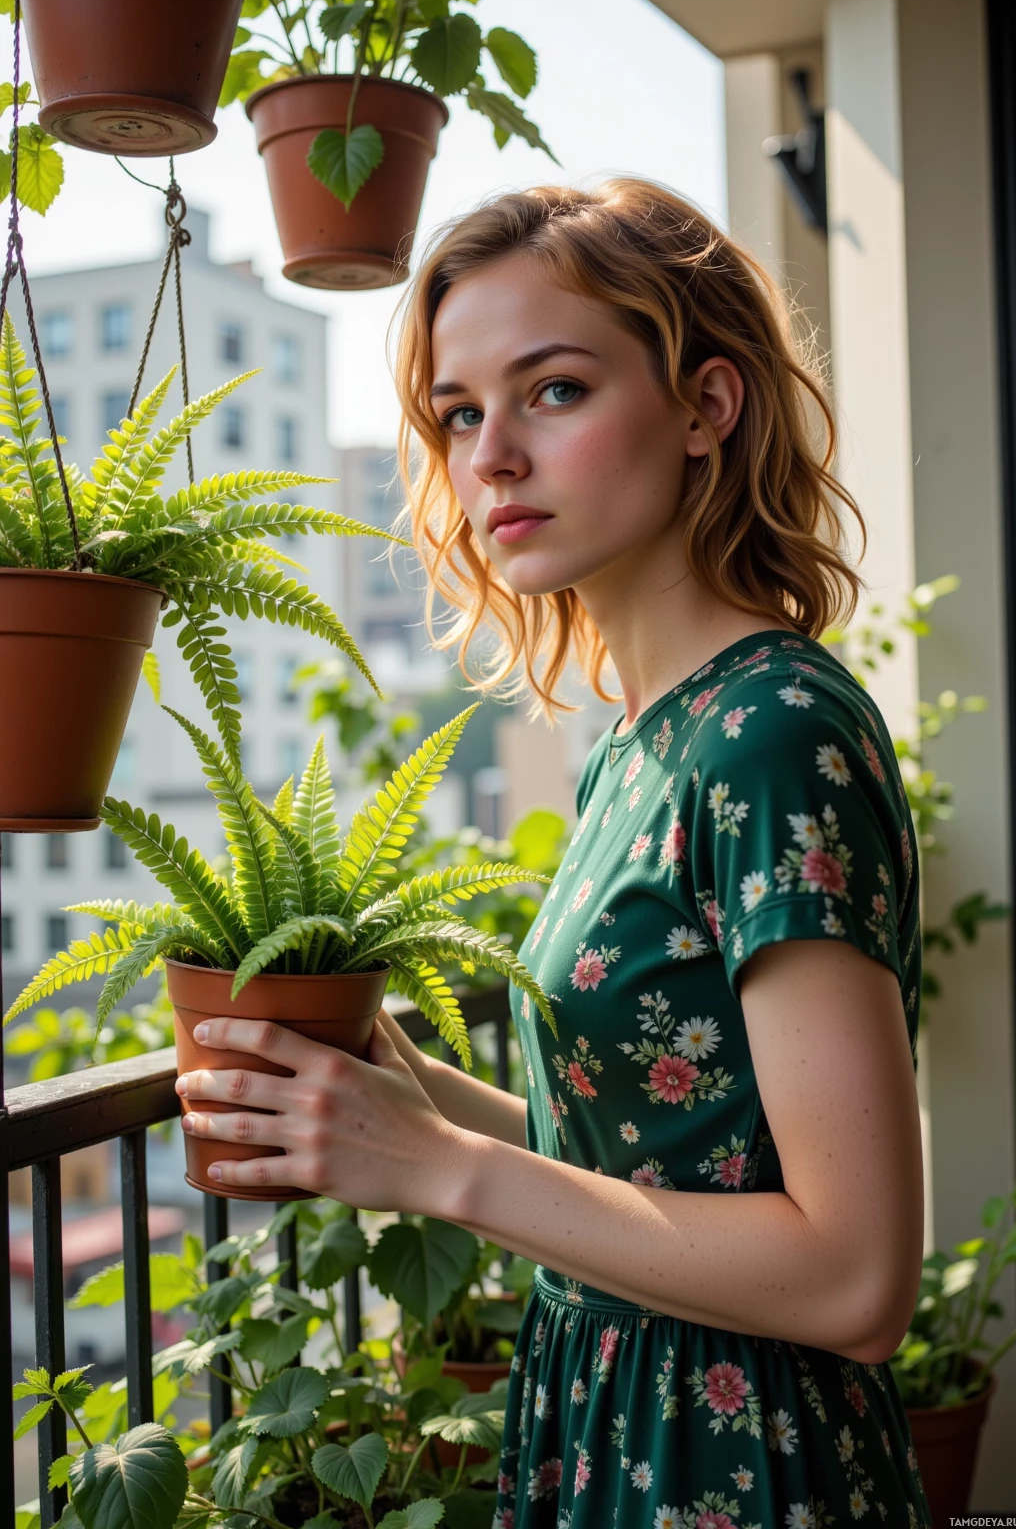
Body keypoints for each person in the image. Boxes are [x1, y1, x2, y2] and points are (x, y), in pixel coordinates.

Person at [175, 179, 932, 1526]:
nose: (491, 458)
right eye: (460, 414)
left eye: (556, 391)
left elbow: (855, 1277)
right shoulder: (636, 742)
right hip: (610, 1420)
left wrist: (437, 1171)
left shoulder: (770, 733)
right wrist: (397, 1089)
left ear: (708, 405)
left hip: (741, 1468)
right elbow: (656, 1168)